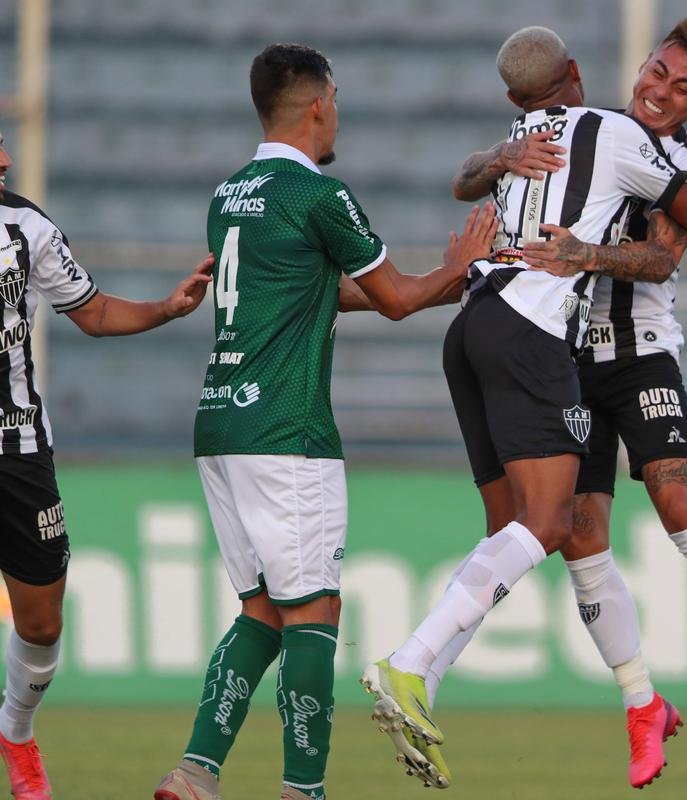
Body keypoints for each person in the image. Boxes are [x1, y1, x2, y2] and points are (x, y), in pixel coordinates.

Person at [359, 25, 687, 790]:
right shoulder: (614, 132)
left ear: (514, 99)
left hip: (468, 331)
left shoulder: (516, 142)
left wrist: (495, 158)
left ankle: (423, 683)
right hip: (532, 335)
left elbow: (464, 178)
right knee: (550, 523)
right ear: (578, 76)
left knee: (508, 532)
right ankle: (409, 661)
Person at [449, 18, 687, 787]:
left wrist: (587, 254)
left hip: (639, 357)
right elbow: (468, 172)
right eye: (658, 72)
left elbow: (664, 257)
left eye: (683, 88)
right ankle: (642, 704)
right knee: (578, 532)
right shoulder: (580, 130)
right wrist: (500, 154)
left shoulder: (682, 163)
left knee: (675, 497)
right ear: (640, 64)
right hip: (562, 359)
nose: (661, 92)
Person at [152, 43, 497, 800]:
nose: (337, 111)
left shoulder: (229, 193)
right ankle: (302, 789)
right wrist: (466, 263)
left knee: (264, 611)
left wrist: (450, 284)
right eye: (335, 99)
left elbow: (314, 293)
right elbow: (397, 298)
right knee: (314, 611)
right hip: (287, 432)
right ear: (317, 104)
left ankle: (195, 772)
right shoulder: (320, 196)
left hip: (220, 424)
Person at [0, 132, 213, 800]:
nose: (5, 159)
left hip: (17, 446)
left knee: (41, 622)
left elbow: (90, 311)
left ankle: (16, 730)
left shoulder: (26, 227)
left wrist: (166, 309)